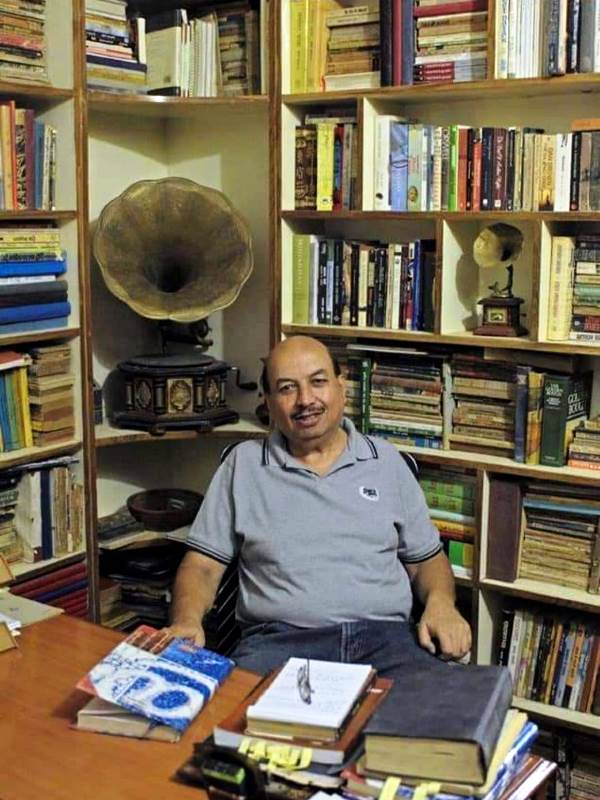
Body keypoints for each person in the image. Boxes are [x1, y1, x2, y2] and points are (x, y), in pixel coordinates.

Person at [168, 336, 471, 679]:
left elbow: (427, 561)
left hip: (386, 643)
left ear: (341, 387)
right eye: (287, 388)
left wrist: (442, 605)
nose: (305, 400)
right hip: (279, 645)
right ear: (268, 401)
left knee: (445, 718)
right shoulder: (244, 466)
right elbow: (202, 567)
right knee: (235, 725)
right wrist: (186, 620)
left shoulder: (386, 461)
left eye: (318, 382)